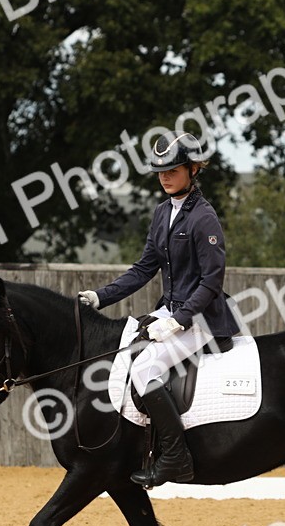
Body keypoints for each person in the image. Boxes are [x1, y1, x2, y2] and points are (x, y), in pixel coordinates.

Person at [79, 131, 241, 487]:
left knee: (145, 369)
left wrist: (179, 320)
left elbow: (211, 281)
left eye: (173, 169)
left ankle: (176, 460)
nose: (164, 176)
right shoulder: (162, 212)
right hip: (169, 313)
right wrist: (100, 297)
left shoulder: (204, 218)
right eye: (160, 171)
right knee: (125, 358)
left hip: (201, 318)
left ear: (193, 169)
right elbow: (144, 268)